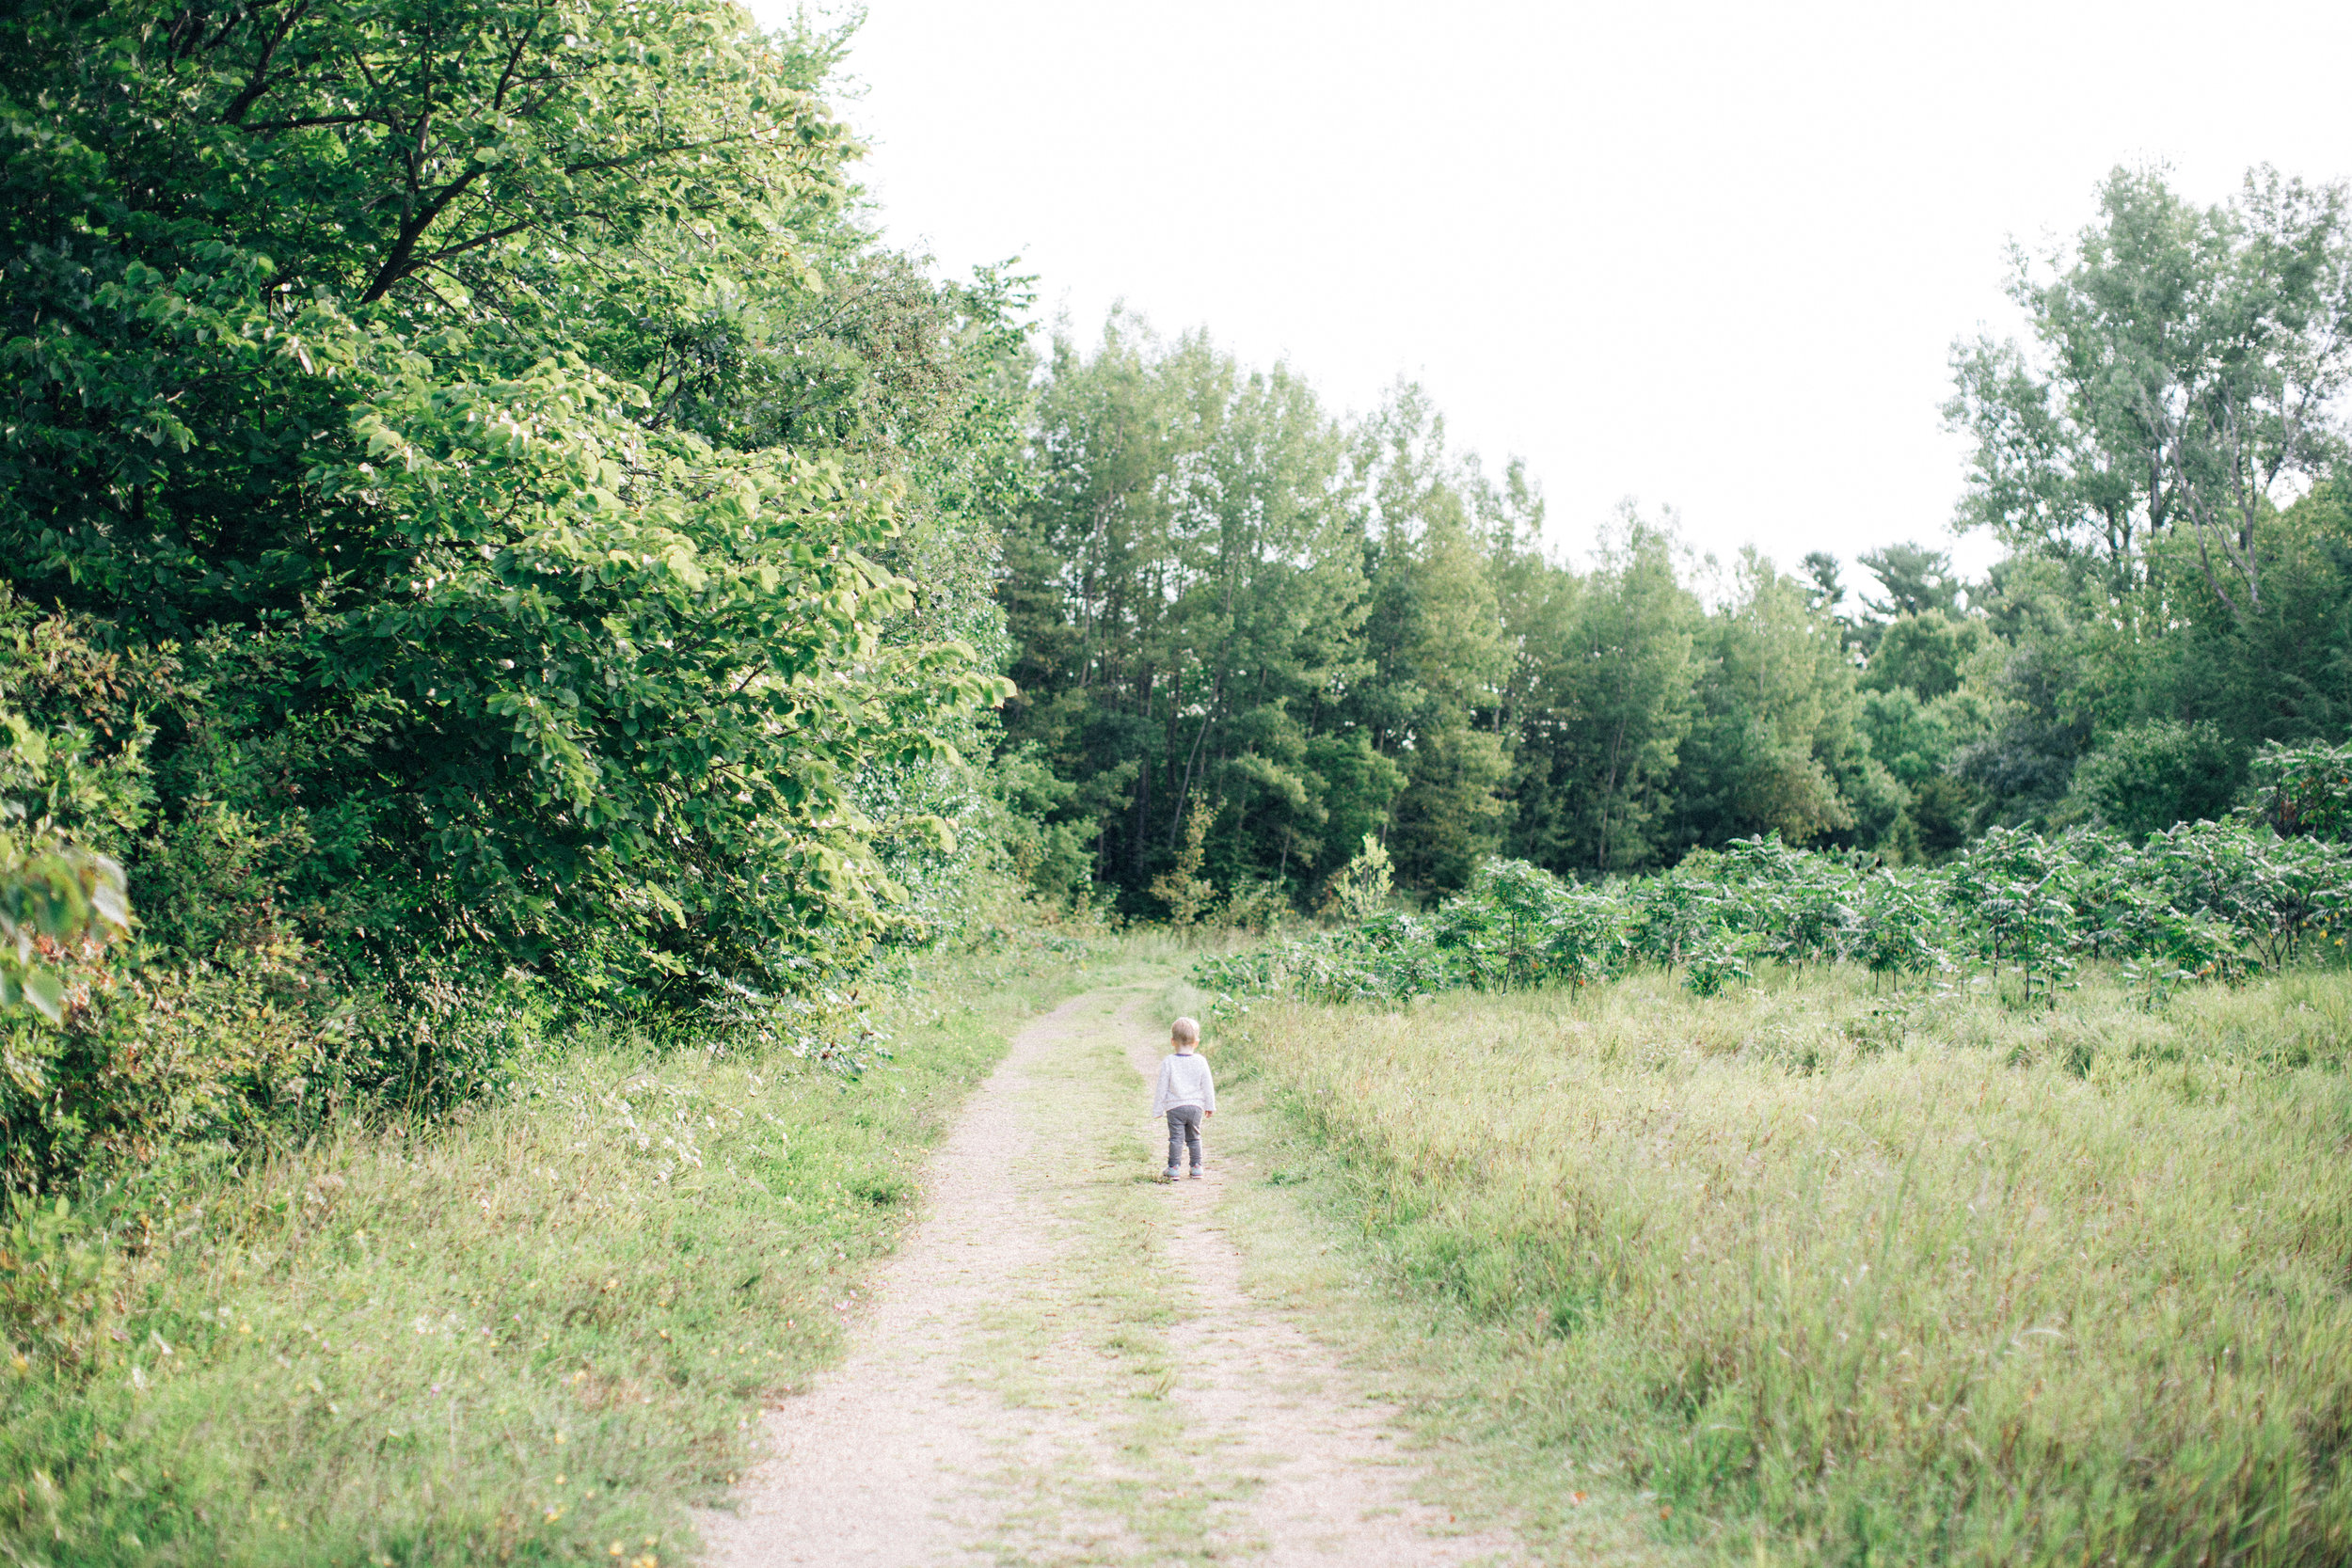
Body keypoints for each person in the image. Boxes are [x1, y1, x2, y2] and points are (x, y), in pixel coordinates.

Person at [1151, 1016, 1216, 1180]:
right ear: (1196, 1042)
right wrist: (1210, 1105)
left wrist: (1158, 1108)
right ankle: (1196, 1167)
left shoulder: (1169, 1062)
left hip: (1174, 1108)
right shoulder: (1201, 1061)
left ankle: (1173, 1168)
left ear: (1172, 1041)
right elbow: (1207, 1085)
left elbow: (1162, 1087)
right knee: (1194, 1137)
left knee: (1176, 1138)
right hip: (1195, 1107)